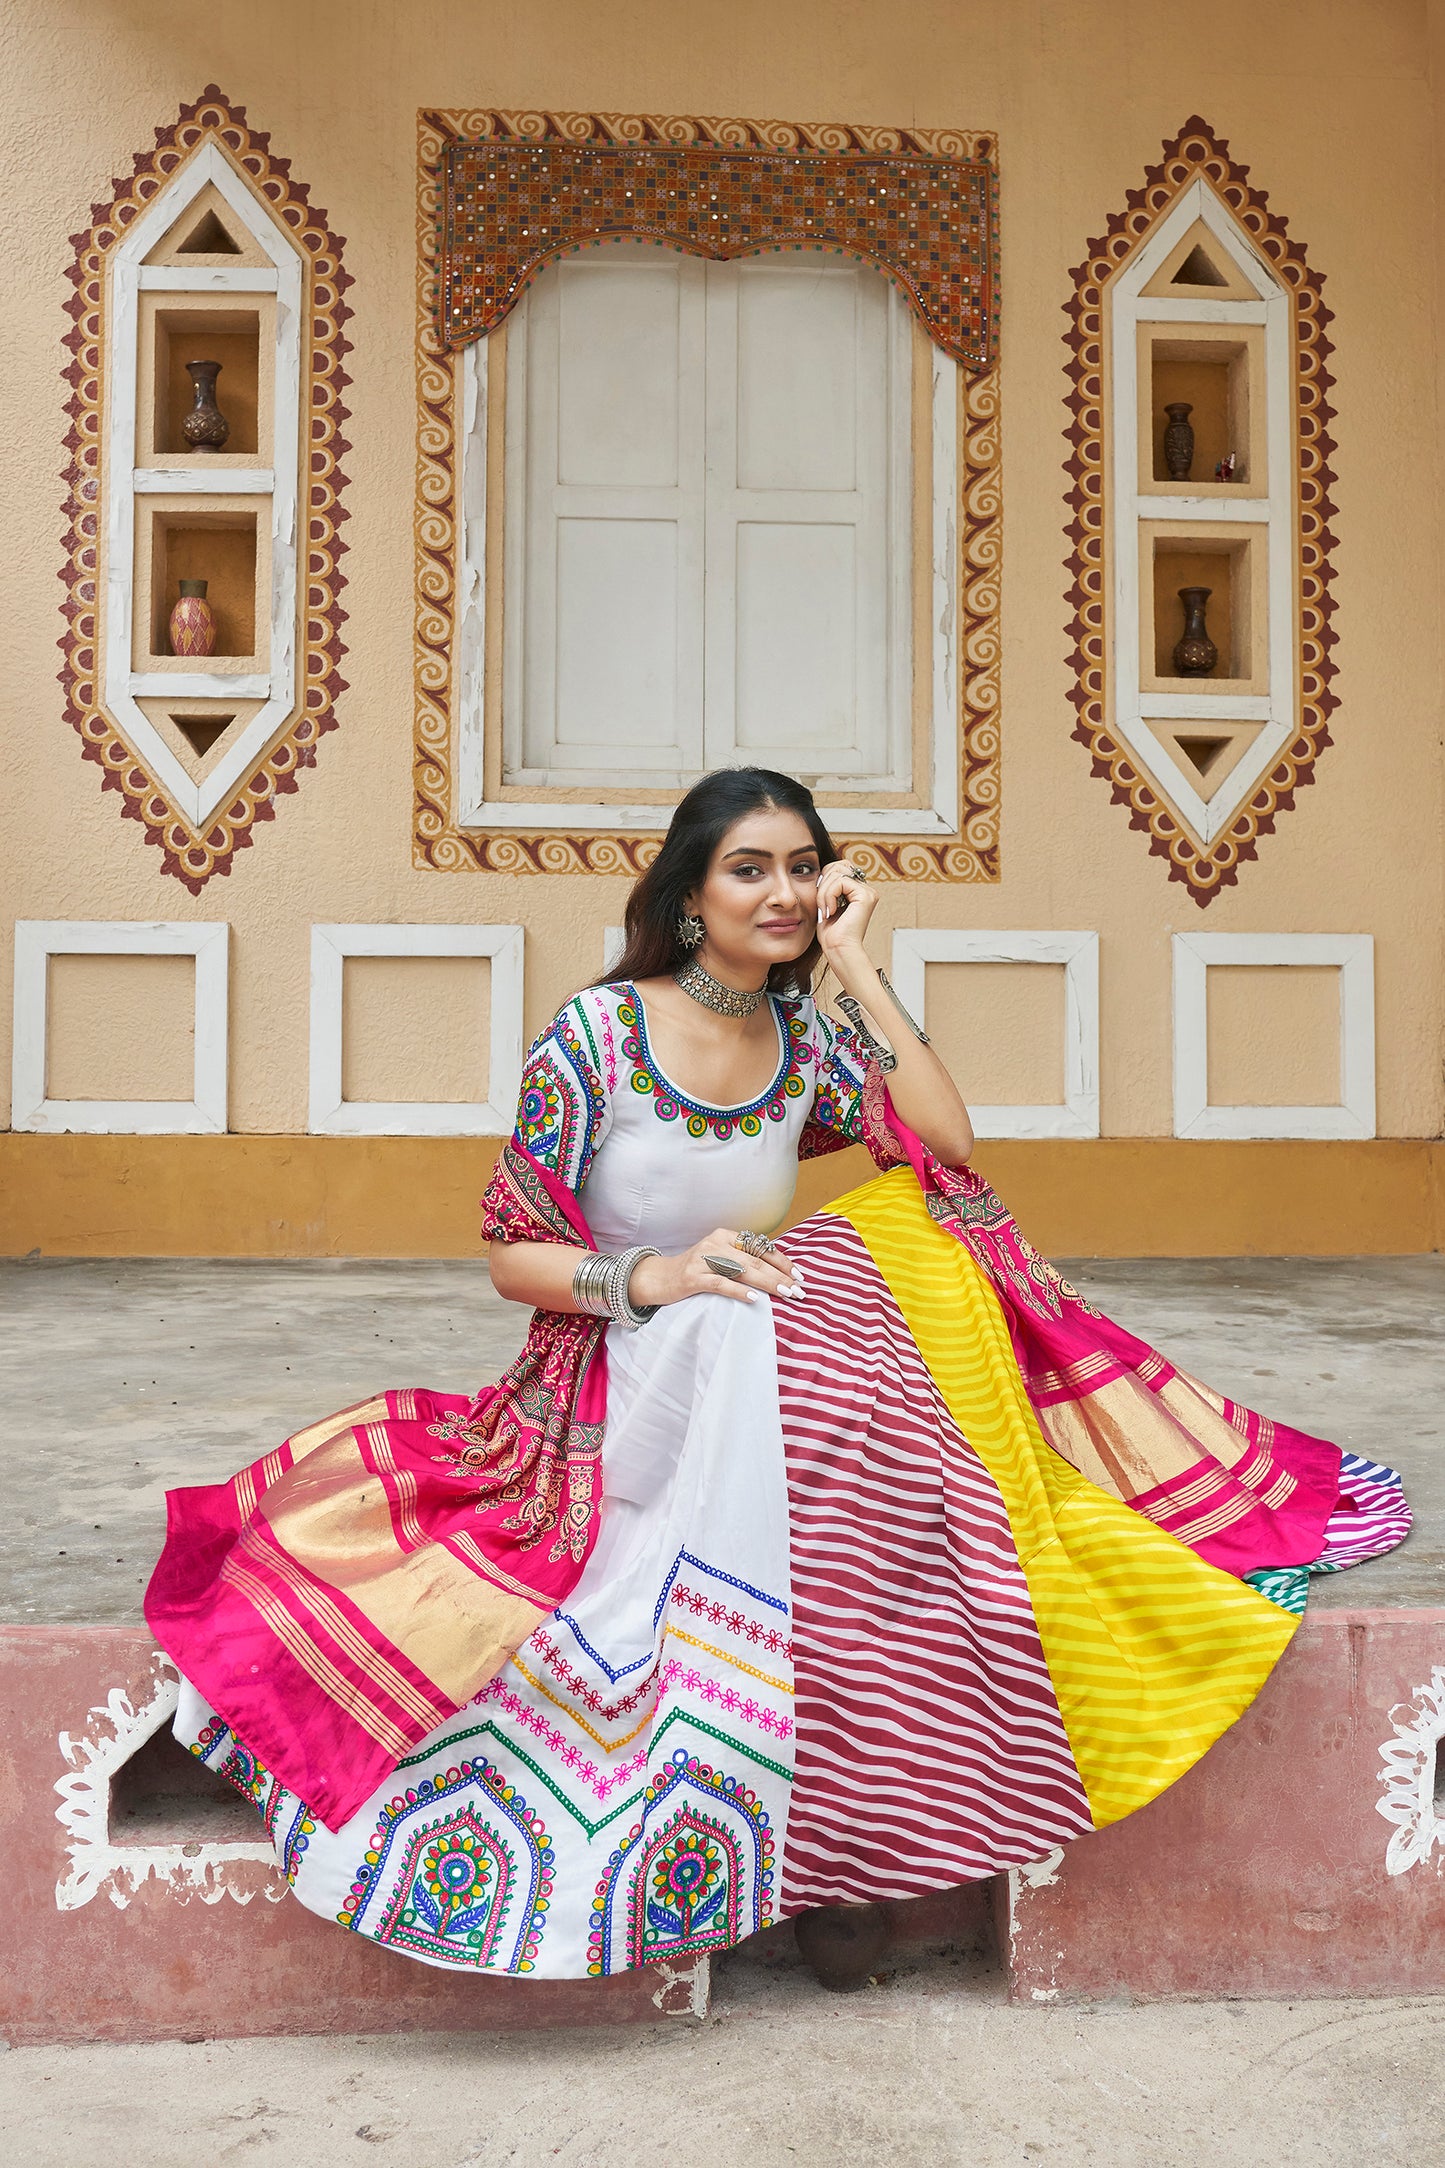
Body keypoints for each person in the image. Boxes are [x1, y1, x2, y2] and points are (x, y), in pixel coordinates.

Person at [146, 767, 1410, 1990]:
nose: (784, 892)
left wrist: (856, 966)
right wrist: (659, 1275)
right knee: (750, 1306)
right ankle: (818, 1841)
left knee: (919, 1217)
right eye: (749, 868)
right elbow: (510, 1254)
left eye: (804, 869)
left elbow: (949, 1144)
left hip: (773, 1357)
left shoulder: (801, 1034)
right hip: (620, 1360)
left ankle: (852, 1803)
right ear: (689, 893)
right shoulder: (596, 1033)